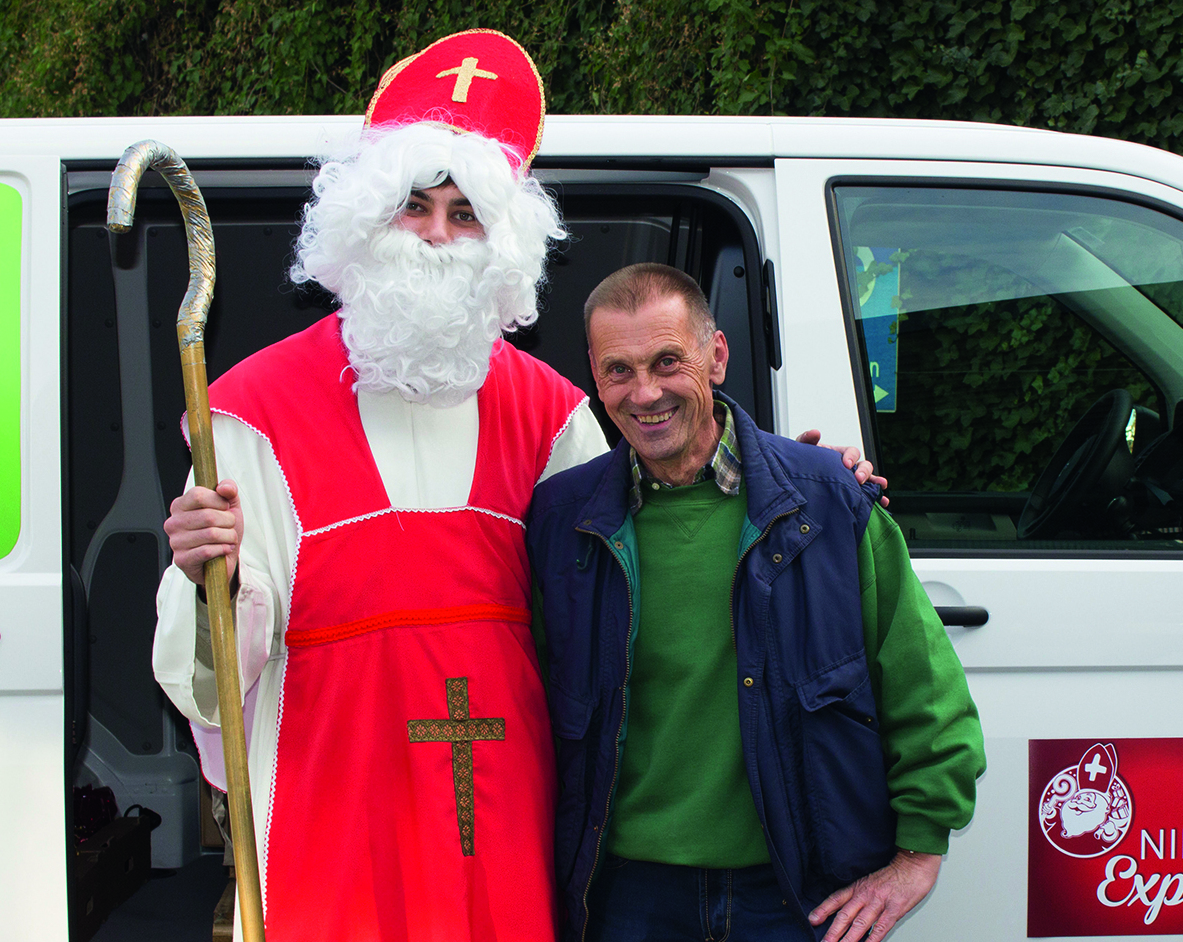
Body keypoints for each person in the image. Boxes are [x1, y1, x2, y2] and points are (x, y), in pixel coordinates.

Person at [153, 31, 880, 942]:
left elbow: (653, 545)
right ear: (362, 227)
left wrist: (800, 477)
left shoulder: (554, 414)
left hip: (510, 812)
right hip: (335, 810)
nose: (437, 235)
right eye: (413, 208)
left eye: (466, 215)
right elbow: (211, 674)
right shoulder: (249, 414)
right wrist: (204, 576)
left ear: (502, 249)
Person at [526, 263, 987, 942]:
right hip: (625, 898)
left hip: (793, 893)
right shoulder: (558, 520)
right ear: (594, 378)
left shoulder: (824, 499)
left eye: (666, 361)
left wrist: (917, 854)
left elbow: (923, 686)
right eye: (619, 370)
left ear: (715, 357)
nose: (645, 392)